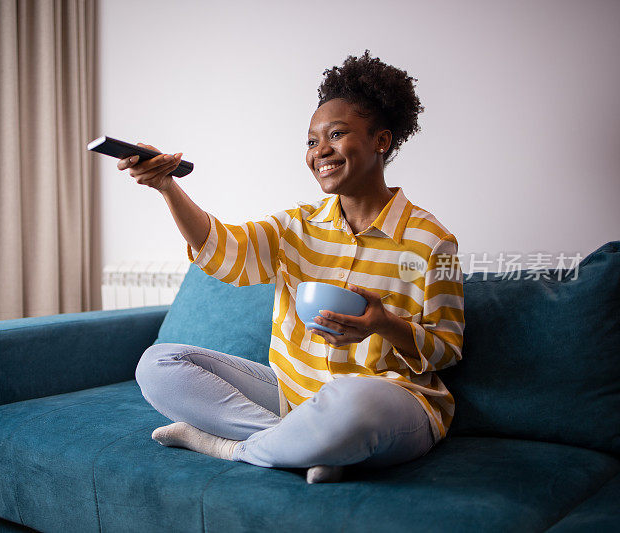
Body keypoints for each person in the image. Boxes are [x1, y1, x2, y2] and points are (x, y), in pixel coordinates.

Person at [118, 50, 465, 484]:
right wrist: (167, 187)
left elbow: (446, 351)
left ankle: (226, 446)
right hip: (294, 397)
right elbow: (221, 250)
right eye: (312, 141)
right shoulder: (294, 227)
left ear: (382, 141)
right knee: (158, 364)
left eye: (336, 134)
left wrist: (383, 324)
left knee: (355, 405)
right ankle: (303, 444)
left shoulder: (433, 241)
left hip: (392, 400)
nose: (321, 151)